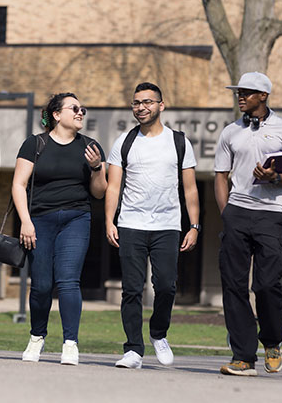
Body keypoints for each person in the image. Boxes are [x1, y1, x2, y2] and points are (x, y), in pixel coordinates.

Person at [214, 72, 282, 376]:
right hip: (237, 212)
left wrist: (276, 177)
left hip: (270, 212)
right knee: (233, 285)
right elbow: (220, 175)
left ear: (263, 96)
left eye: (247, 92)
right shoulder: (230, 132)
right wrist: (226, 211)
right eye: (238, 92)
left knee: (266, 284)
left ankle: (271, 341)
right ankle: (243, 357)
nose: (240, 96)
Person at [104, 82, 200, 369]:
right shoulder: (124, 141)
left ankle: (159, 333)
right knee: (132, 289)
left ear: (161, 105)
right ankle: (133, 349)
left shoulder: (179, 142)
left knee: (167, 286)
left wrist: (194, 225)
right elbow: (112, 187)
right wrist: (109, 220)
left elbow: (191, 189)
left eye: (147, 102)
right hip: (131, 224)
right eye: (136, 103)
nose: (141, 107)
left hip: (167, 225)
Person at [13, 93, 107, 366]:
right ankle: (37, 336)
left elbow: (99, 193)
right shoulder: (35, 144)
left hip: (76, 219)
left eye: (83, 109)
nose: (81, 113)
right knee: (41, 285)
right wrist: (26, 221)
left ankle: (70, 343)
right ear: (56, 114)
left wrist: (97, 167)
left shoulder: (90, 147)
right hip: (39, 220)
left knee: (68, 281)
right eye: (74, 108)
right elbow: (18, 184)